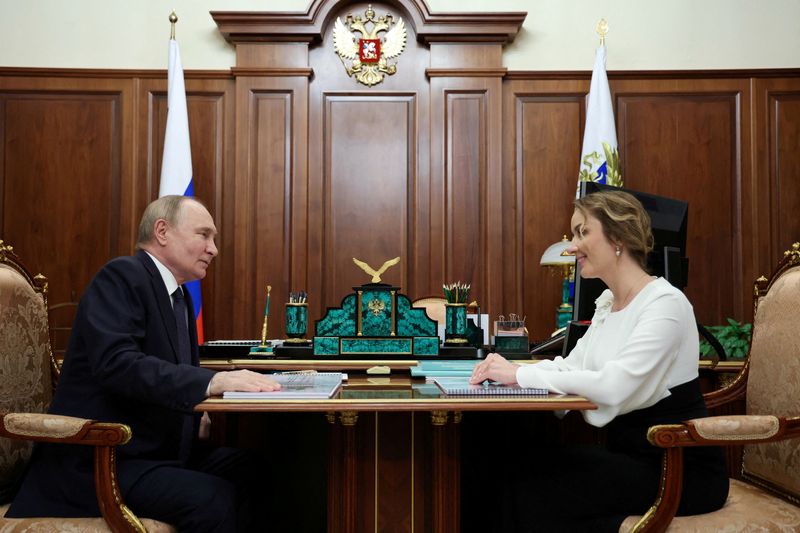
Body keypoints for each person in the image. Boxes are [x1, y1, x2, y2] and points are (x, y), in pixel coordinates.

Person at [8, 195, 281, 532]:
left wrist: (195, 410)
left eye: (214, 239)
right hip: (103, 459)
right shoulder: (122, 277)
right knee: (212, 498)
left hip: (156, 452)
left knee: (253, 470)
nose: (213, 249)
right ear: (162, 231)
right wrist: (208, 384)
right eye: (204, 235)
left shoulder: (178, 297)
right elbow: (118, 364)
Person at [468, 190, 729, 532]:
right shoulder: (609, 303)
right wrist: (511, 372)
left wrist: (520, 375)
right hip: (631, 459)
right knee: (509, 466)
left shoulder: (666, 303)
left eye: (582, 232)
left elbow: (614, 386)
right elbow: (571, 366)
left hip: (677, 470)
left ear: (618, 237)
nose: (571, 246)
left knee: (530, 486)